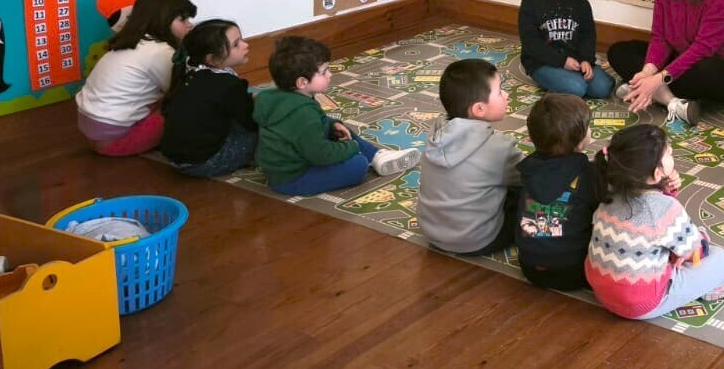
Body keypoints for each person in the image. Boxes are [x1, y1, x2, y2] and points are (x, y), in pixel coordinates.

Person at [585, 124, 724, 319]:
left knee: (670, 245)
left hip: (602, 292)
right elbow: (694, 253)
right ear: (657, 173)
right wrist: (699, 239)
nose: (672, 153)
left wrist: (664, 190)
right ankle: (713, 286)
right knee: (719, 258)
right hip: (641, 304)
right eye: (668, 153)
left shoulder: (609, 193)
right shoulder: (665, 208)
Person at [253, 36, 420, 196]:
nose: (330, 74)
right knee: (358, 165)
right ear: (302, 82)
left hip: (285, 168)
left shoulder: (276, 96)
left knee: (338, 127)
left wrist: (332, 125)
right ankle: (369, 157)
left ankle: (377, 156)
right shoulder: (302, 112)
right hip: (293, 178)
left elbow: (306, 128)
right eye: (324, 72)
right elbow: (320, 154)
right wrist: (352, 147)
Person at [416, 58, 521, 255]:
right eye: (499, 91)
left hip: (432, 234)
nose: (506, 95)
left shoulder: (435, 133)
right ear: (479, 109)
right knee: (528, 194)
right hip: (478, 240)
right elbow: (529, 178)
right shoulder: (501, 147)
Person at [75, 0, 195, 156]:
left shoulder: (132, 43)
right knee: (191, 102)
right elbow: (178, 90)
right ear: (162, 20)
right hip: (117, 141)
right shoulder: (160, 51)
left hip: (93, 134)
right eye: (183, 19)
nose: (189, 24)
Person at [515, 93, 598, 289]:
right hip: (574, 270)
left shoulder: (527, 169)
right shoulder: (588, 173)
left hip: (530, 267)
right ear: (579, 142)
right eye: (588, 126)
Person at [518, 0, 614, 100]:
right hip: (543, 63)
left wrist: (585, 59)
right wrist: (562, 61)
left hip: (575, 61)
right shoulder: (531, 1)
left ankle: (567, 80)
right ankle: (555, 82)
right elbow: (531, 44)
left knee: (603, 88)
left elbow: (588, 33)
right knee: (576, 87)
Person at [159, 18, 257, 178]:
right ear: (212, 59)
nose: (245, 45)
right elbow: (251, 123)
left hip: (175, 158)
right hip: (202, 163)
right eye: (236, 44)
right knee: (267, 133)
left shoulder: (191, 72)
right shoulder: (229, 85)